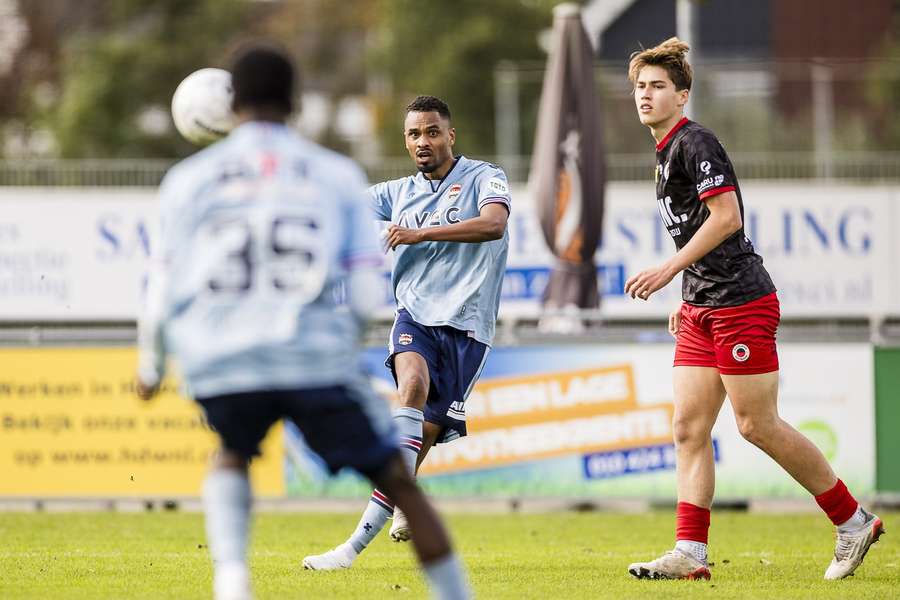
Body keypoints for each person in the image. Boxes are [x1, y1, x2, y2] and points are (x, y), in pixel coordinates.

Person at [135, 46, 471, 600]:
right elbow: (365, 291)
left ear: (231, 103)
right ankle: (456, 594)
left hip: (227, 358)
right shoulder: (335, 175)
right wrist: (339, 347)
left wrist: (151, 366)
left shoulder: (188, 180)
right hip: (312, 356)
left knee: (231, 453)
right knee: (398, 485)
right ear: (295, 104)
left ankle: (233, 581)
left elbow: (162, 286)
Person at [623, 37, 884, 581]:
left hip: (741, 302)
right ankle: (690, 553)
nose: (645, 96)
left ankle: (852, 520)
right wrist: (686, 289)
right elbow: (695, 231)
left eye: (657, 87)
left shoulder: (697, 142)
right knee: (688, 428)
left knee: (755, 424)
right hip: (701, 305)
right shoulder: (664, 152)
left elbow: (726, 219)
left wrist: (669, 271)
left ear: (682, 94)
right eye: (639, 87)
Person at [302, 95, 511, 570]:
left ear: (450, 135)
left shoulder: (485, 177)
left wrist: (420, 234)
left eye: (432, 131)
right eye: (414, 134)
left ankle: (401, 496)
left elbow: (494, 225)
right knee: (410, 388)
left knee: (418, 444)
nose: (423, 141)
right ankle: (350, 550)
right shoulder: (396, 192)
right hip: (415, 315)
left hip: (468, 327)